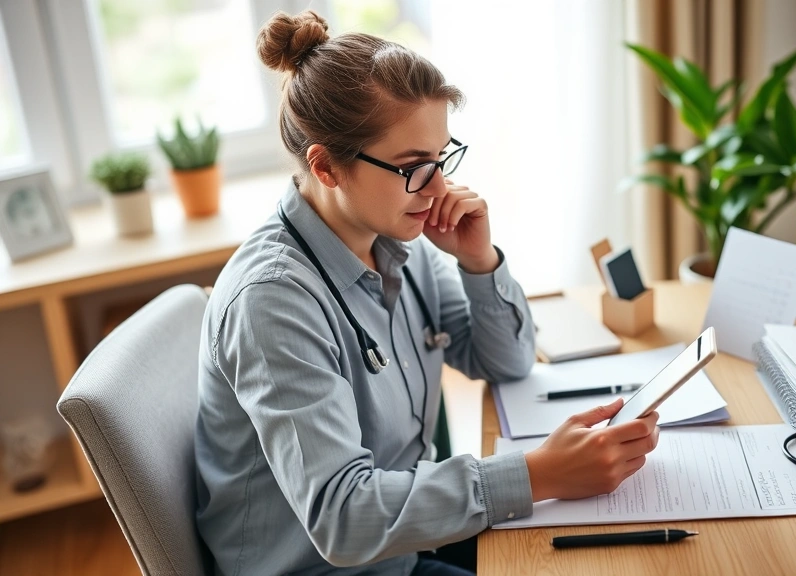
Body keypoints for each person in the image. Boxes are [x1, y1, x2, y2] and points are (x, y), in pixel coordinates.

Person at [194, 10, 660, 576]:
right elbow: (344, 519)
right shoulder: (272, 301)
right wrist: (538, 474)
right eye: (414, 166)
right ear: (327, 166)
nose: (439, 186)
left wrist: (478, 261)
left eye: (441, 157)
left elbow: (506, 361)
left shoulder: (395, 240)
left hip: (408, 539)